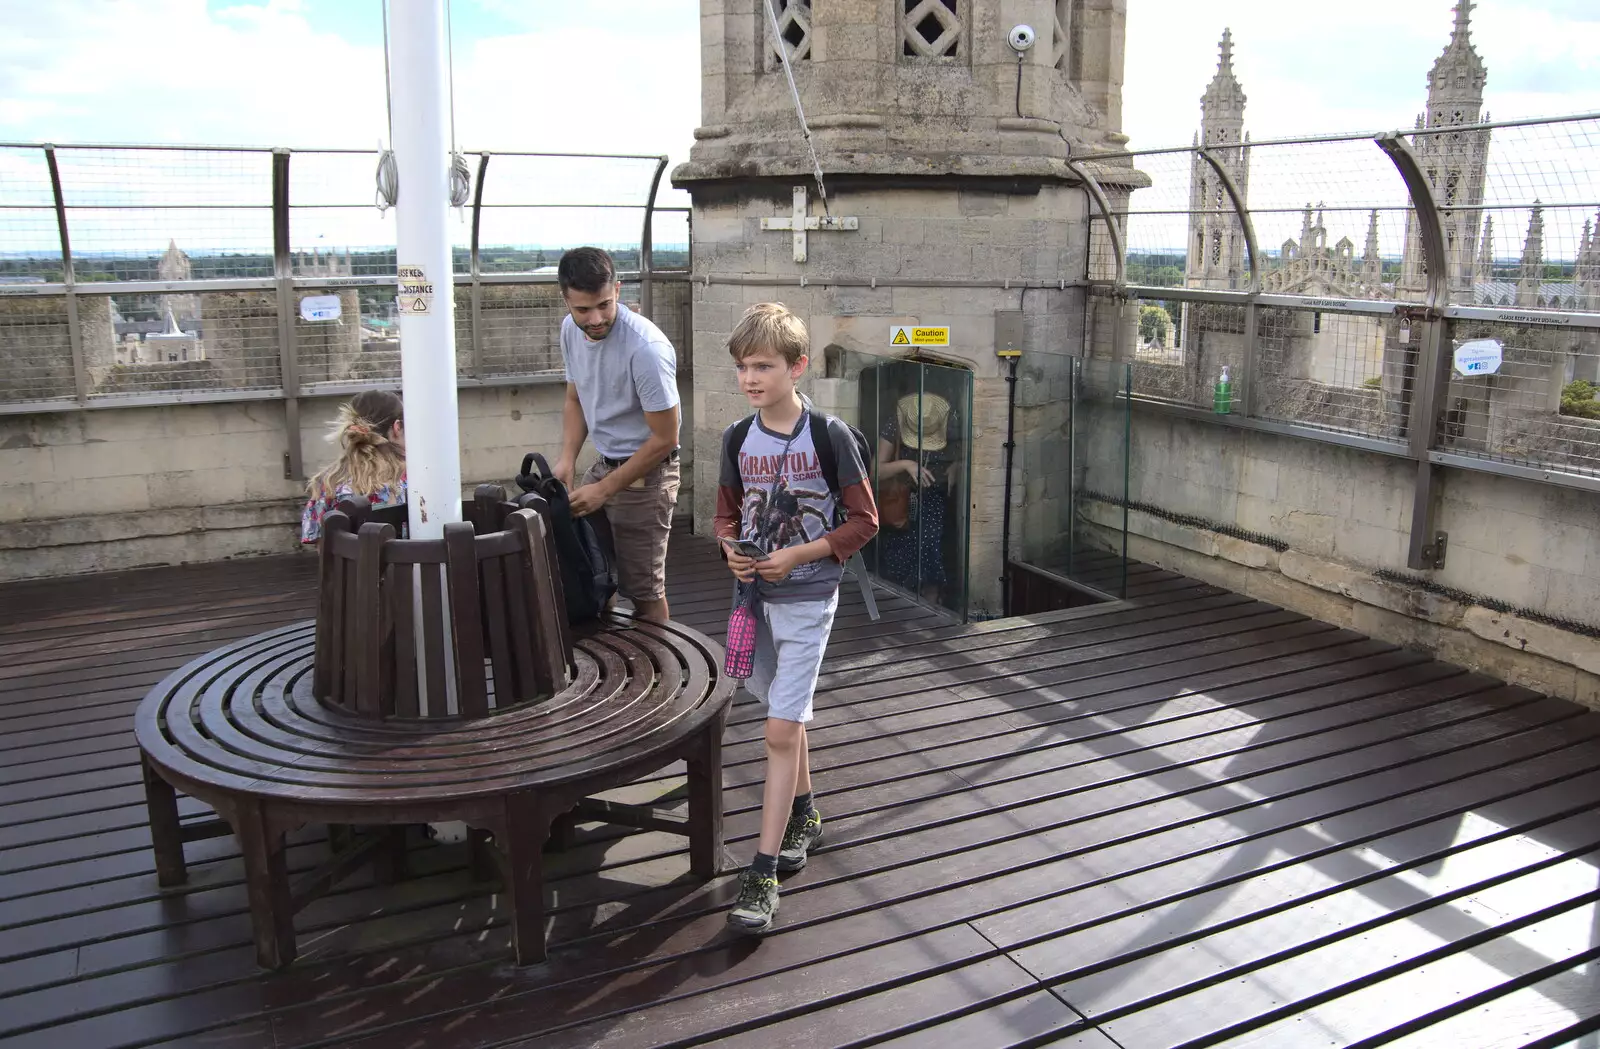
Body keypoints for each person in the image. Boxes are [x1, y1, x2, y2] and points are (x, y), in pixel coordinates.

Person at [714, 302, 879, 934]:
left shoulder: (828, 436)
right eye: (742, 366)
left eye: (763, 365)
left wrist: (799, 556)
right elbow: (727, 514)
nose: (750, 377)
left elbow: (863, 522)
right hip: (754, 600)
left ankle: (760, 872)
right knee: (787, 708)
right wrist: (731, 551)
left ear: (797, 366)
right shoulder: (736, 438)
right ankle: (805, 812)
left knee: (779, 731)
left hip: (808, 600)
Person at [552, 247, 681, 622]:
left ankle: (663, 676)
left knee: (644, 590)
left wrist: (604, 489)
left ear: (618, 290)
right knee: (594, 576)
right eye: (583, 310)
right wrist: (567, 459)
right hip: (604, 464)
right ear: (566, 299)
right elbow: (575, 398)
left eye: (604, 305)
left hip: (650, 474)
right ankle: (614, 668)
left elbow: (665, 438)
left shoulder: (646, 349)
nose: (595, 319)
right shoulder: (569, 331)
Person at [876, 390, 960, 602]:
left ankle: (932, 600)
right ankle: (900, 603)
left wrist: (958, 466)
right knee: (900, 553)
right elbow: (875, 471)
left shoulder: (950, 423)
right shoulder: (895, 423)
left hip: (935, 496)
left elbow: (969, 451)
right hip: (901, 498)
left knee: (931, 548)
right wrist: (906, 465)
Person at [300, 390, 406, 544]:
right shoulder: (410, 480)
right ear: (397, 427)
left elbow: (321, 548)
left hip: (347, 567)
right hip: (405, 566)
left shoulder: (328, 481)